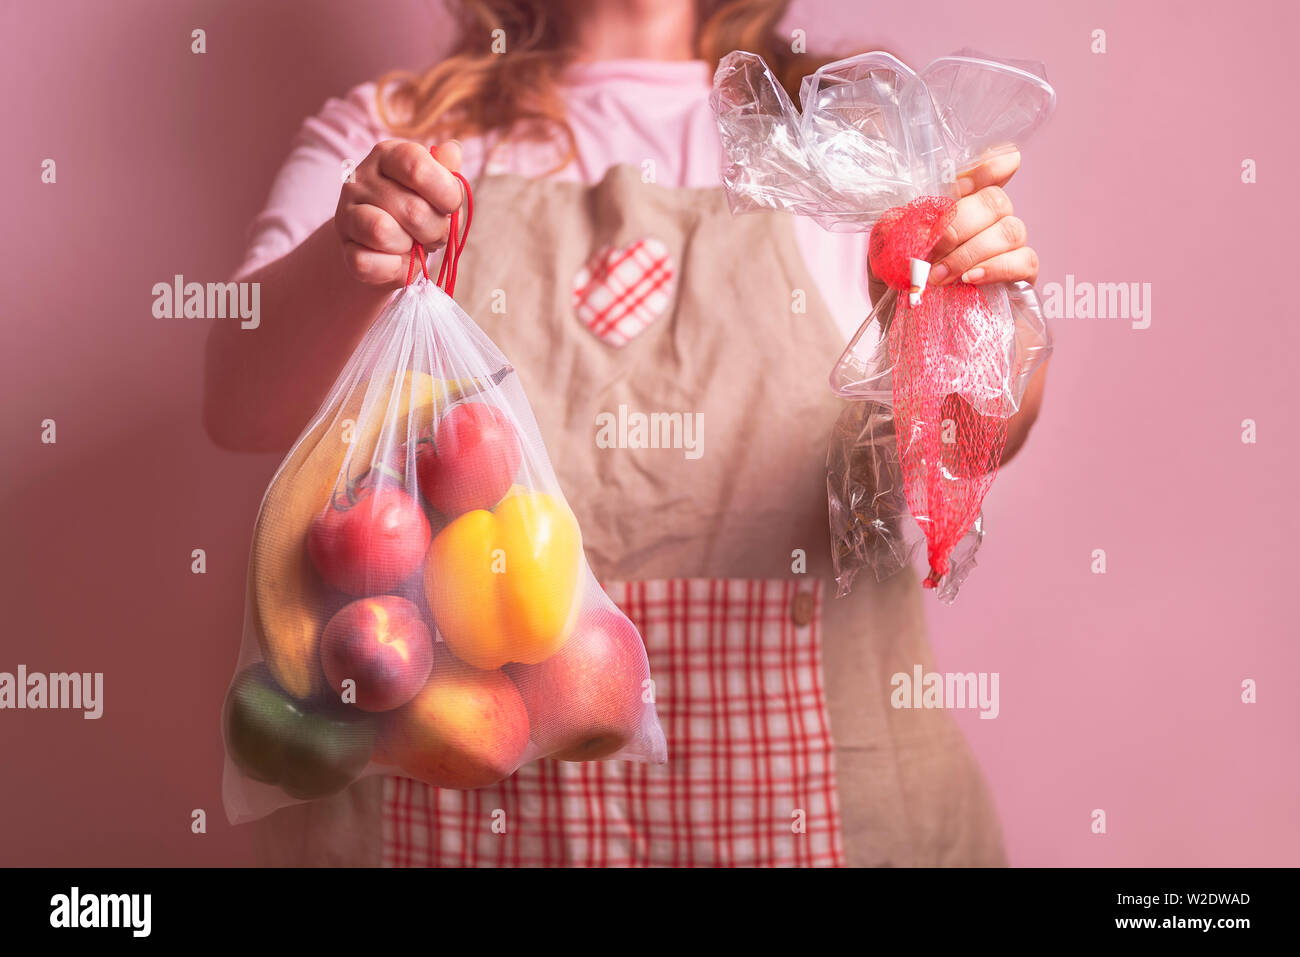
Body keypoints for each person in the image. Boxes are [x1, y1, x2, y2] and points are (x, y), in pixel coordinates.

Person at [206, 0, 1047, 867]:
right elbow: (240, 403)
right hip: (453, 813)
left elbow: (972, 441)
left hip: (812, 826)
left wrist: (968, 312)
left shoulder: (856, 130)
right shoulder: (393, 132)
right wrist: (355, 254)